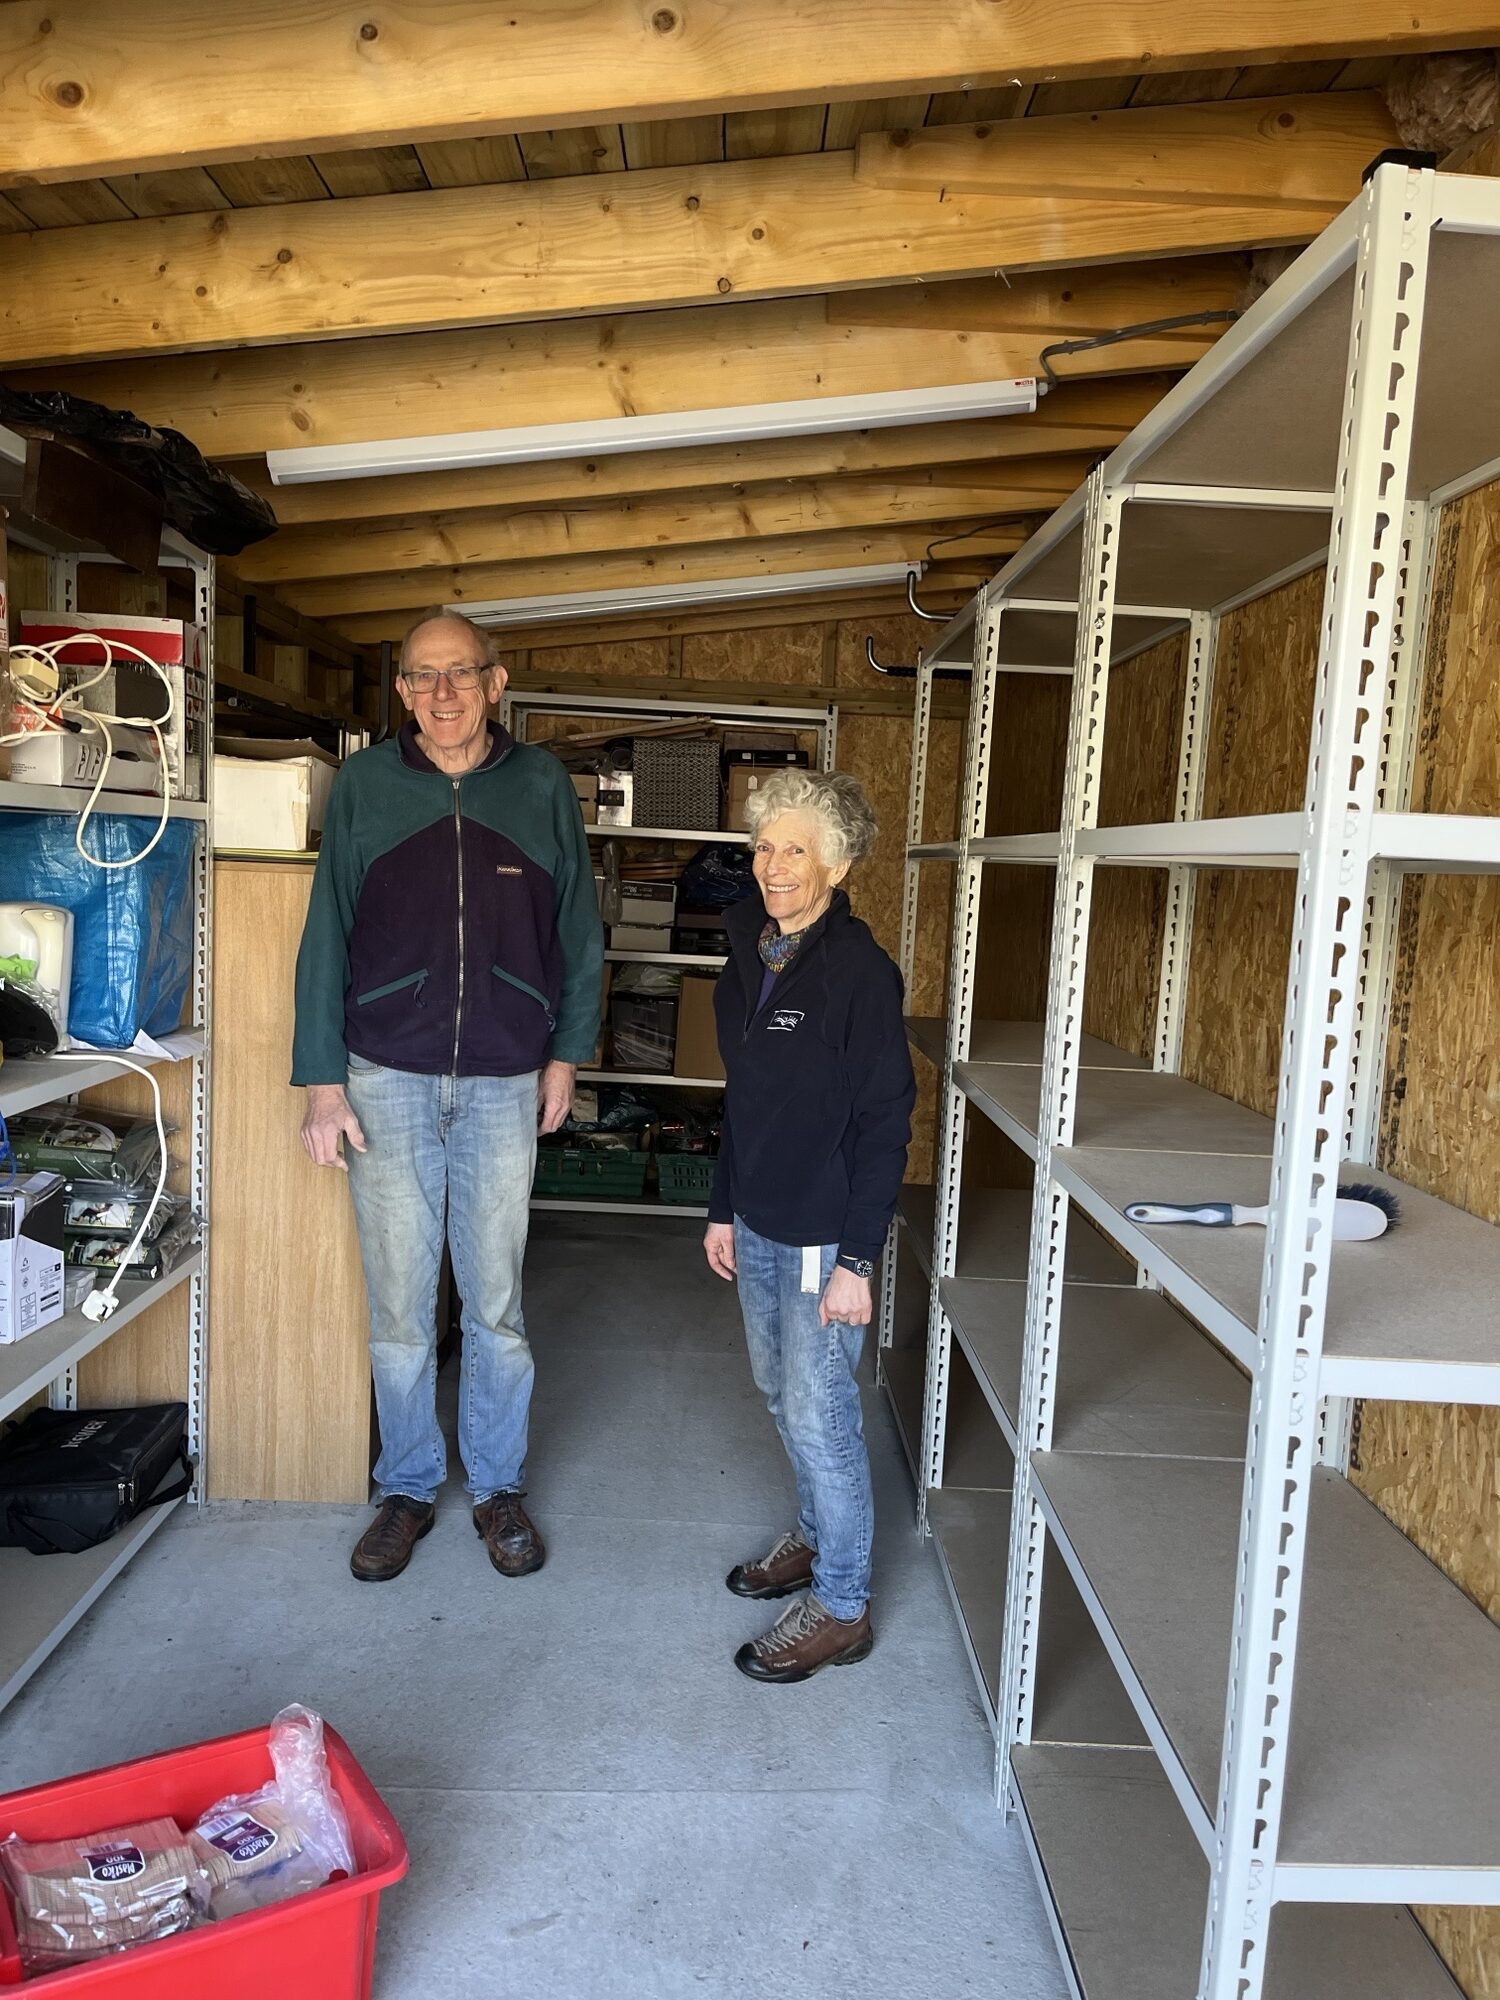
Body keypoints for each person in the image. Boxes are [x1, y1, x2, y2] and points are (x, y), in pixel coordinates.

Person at [292, 608, 603, 1584]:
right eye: (422, 678)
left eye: (460, 674)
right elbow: (327, 933)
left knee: (497, 1301)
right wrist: (319, 1078)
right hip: (386, 1069)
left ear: (497, 681)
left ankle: (499, 1486)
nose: (441, 694)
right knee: (399, 1298)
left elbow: (580, 934)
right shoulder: (368, 788)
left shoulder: (542, 784)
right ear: (402, 693)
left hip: (509, 1073)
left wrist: (566, 1056)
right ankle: (409, 1486)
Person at [704, 769, 915, 1683]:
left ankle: (841, 1603)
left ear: (835, 862)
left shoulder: (859, 974)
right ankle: (820, 1533)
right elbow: (744, 1100)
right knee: (778, 1390)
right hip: (755, 1221)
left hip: (822, 1239)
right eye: (765, 846)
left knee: (822, 1413)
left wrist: (858, 1260)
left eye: (796, 849)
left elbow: (886, 1122)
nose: (775, 865)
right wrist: (722, 1205)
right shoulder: (751, 953)